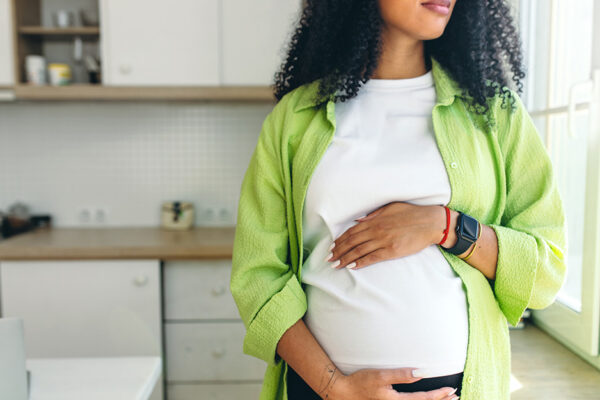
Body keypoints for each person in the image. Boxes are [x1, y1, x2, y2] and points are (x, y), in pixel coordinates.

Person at [230, 0, 567, 399]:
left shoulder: (495, 113)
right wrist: (336, 387)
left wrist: (445, 227)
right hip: (323, 391)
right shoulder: (297, 117)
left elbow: (545, 271)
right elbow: (258, 277)